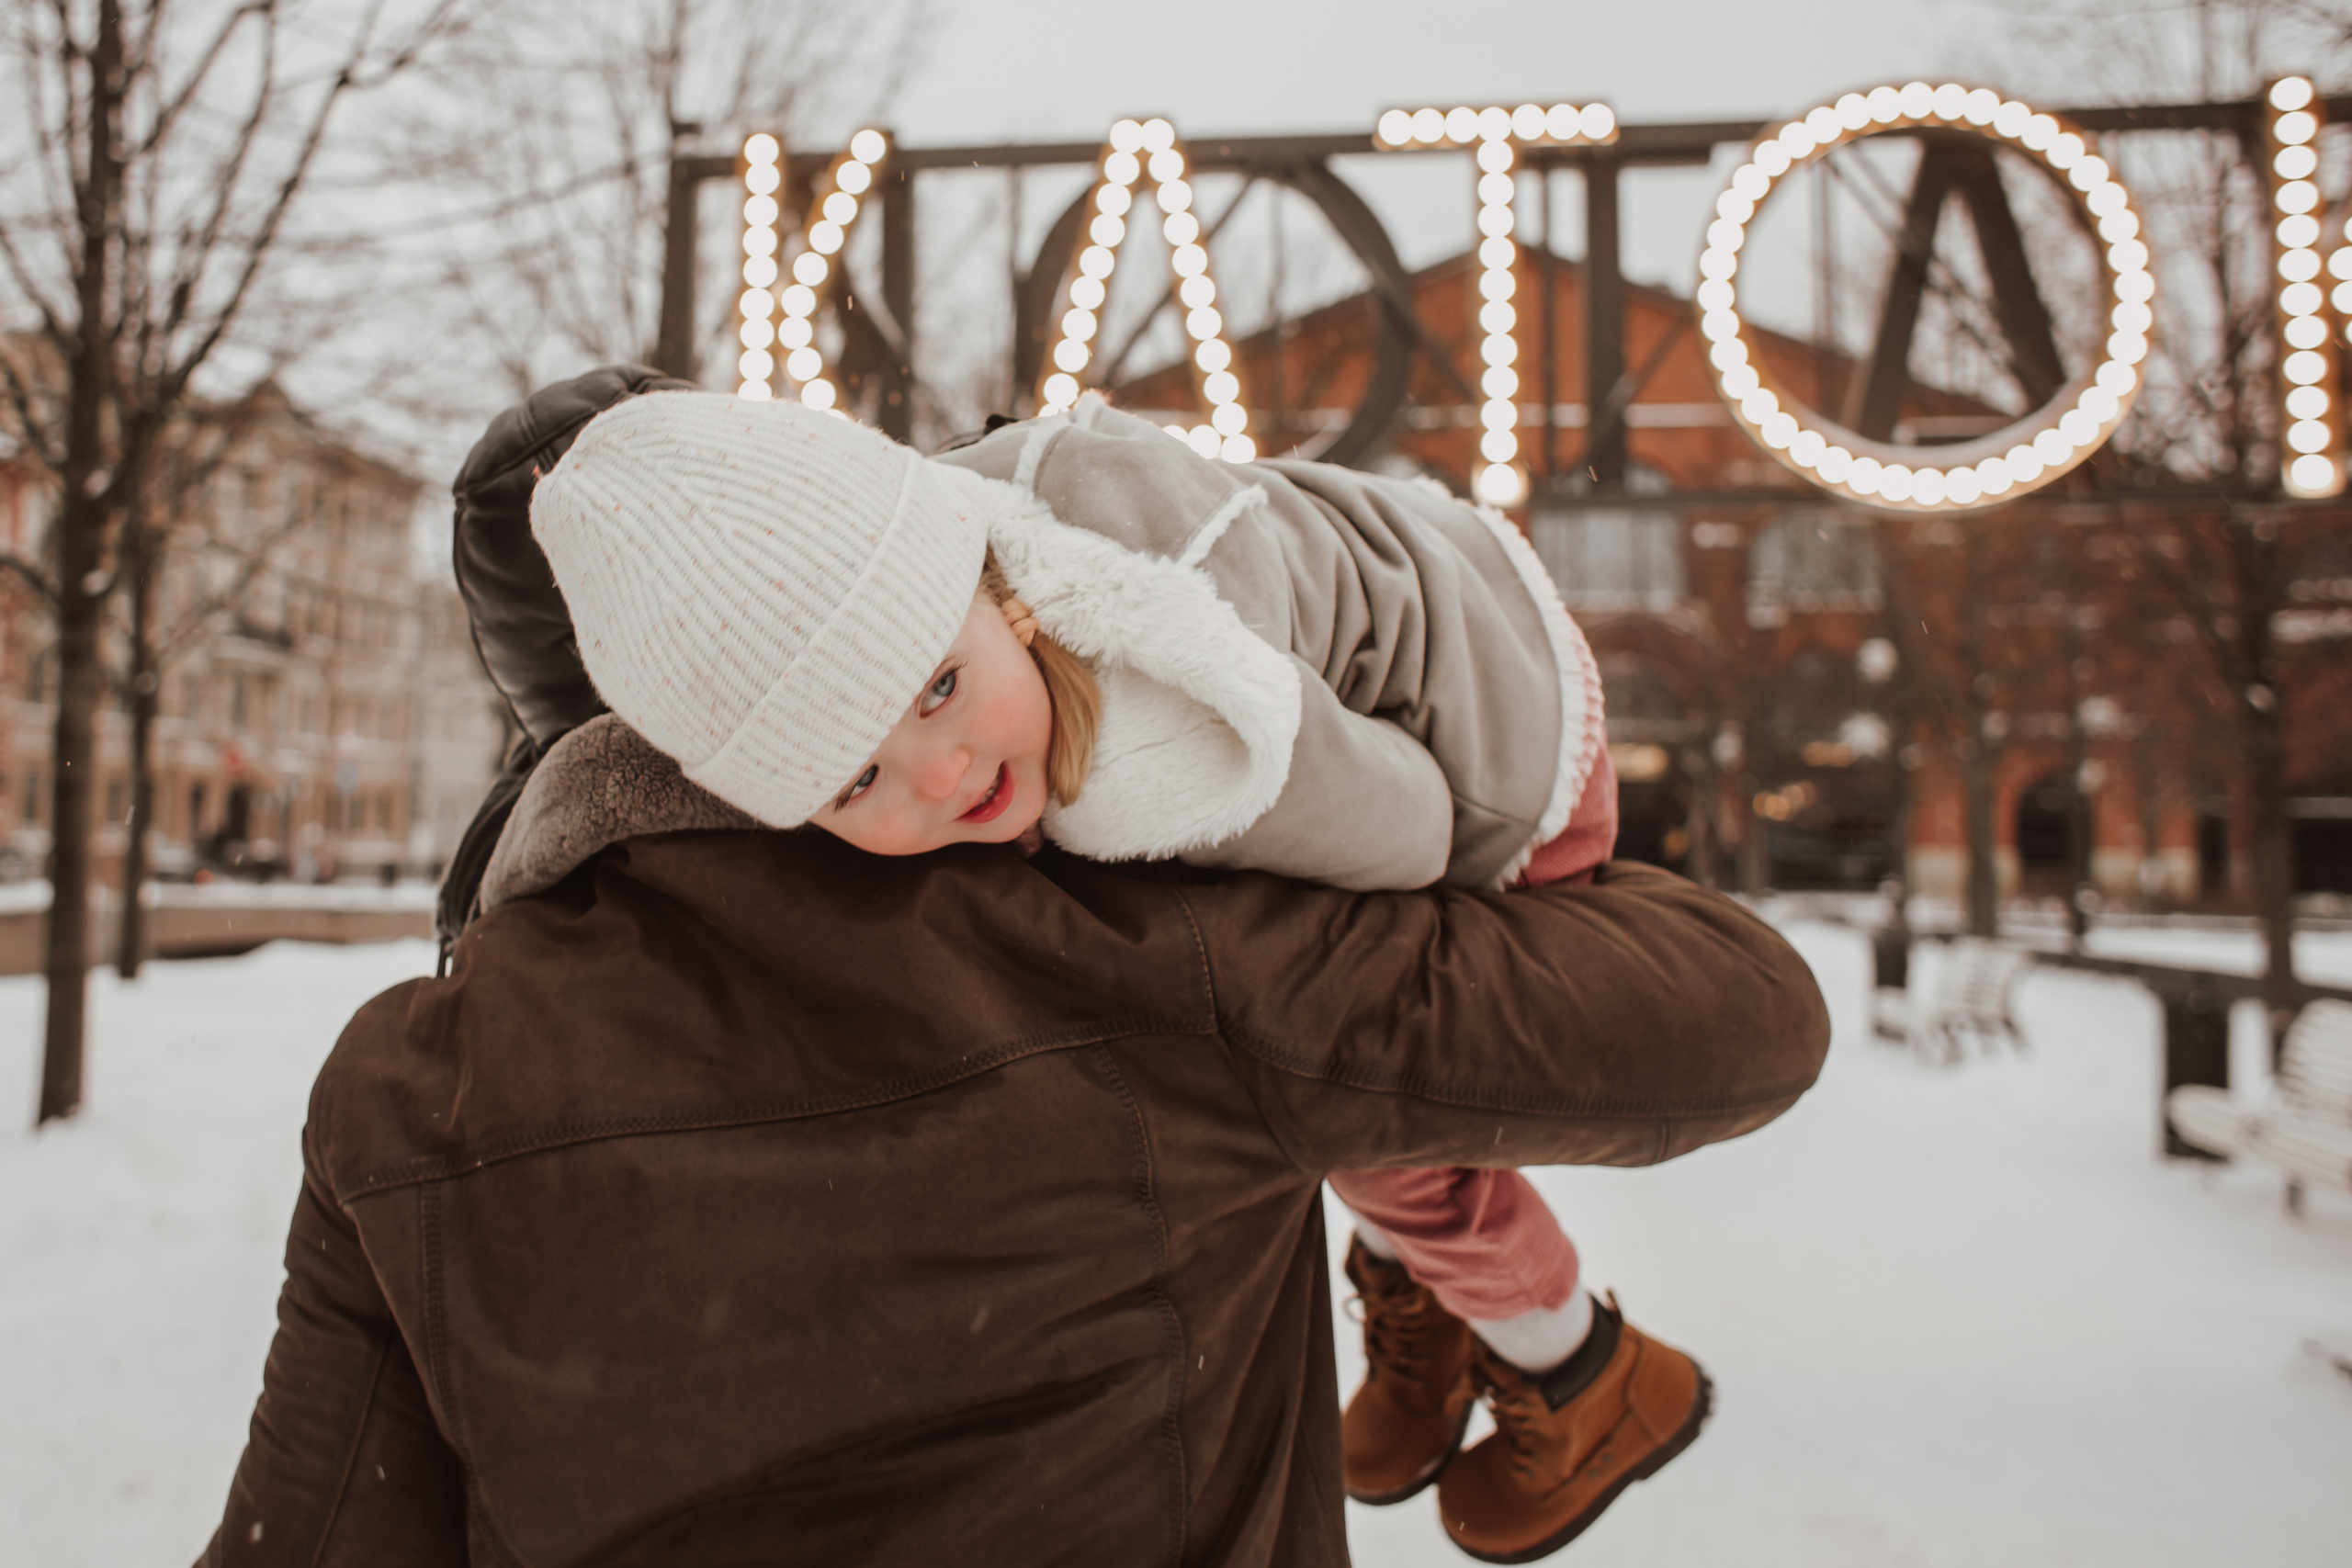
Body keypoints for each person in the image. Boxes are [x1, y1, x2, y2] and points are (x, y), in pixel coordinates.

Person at [194, 369, 1829, 1567]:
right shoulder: (1135, 936)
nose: (932, 768)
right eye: (847, 756)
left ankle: (1480, 1315)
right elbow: (1738, 1018)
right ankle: (1531, 1341)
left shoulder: (409, 1090)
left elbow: (302, 1541)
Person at [519, 388, 1647, 1557]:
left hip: (1508, 749)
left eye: (938, 688)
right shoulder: (972, 526)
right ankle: (1433, 1304)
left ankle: (1579, 1368)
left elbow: (1409, 837)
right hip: (1424, 585)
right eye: (858, 782)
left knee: (1360, 1104)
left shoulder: (1172, 736)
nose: (944, 772)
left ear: (988, 587)